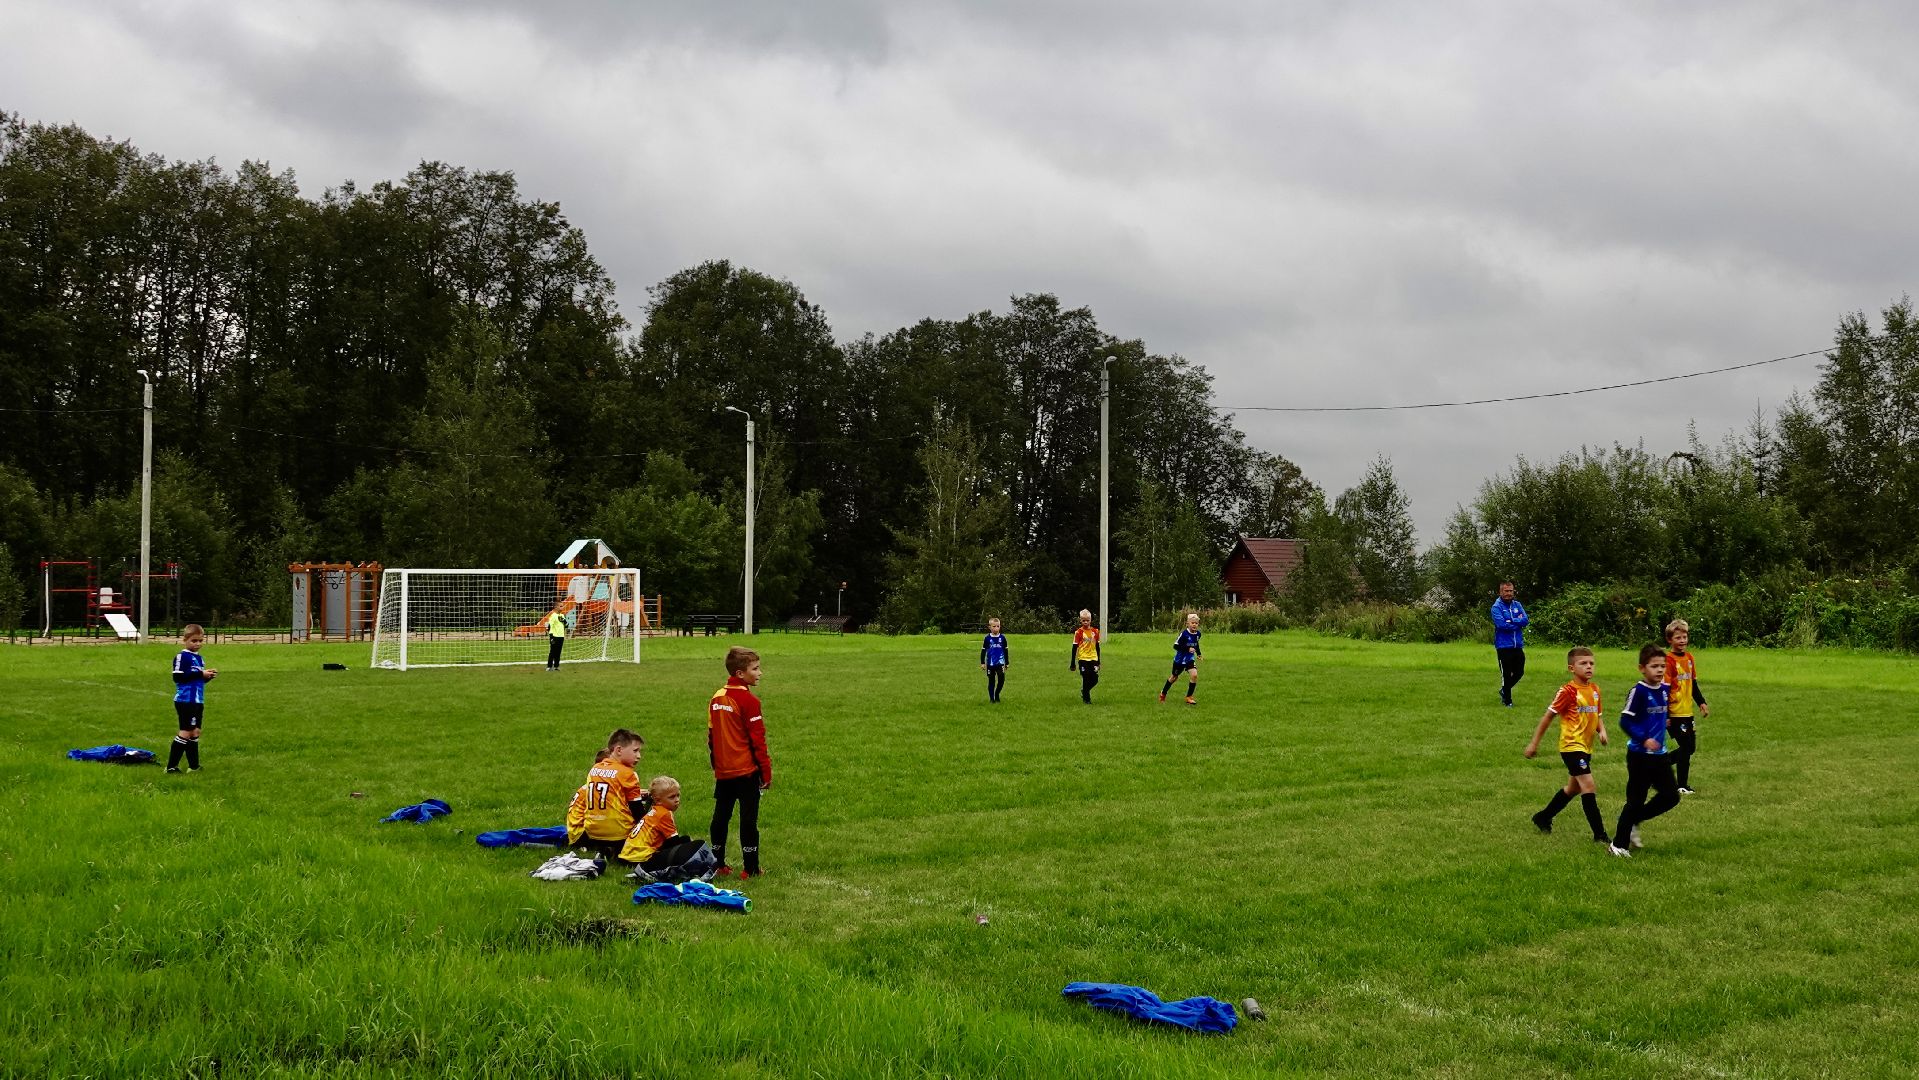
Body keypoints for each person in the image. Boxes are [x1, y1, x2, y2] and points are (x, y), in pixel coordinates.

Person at [1523, 646, 1610, 843]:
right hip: (1571, 746)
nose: (1588, 667)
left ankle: (1543, 817)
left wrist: (1602, 731)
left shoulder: (1595, 690)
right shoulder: (1568, 691)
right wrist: (1533, 744)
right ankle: (1600, 835)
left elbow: (1597, 715)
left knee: (1573, 788)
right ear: (1572, 668)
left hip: (1586, 747)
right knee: (1588, 786)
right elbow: (1547, 718)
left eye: (1591, 663)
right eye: (1583, 663)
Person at [1609, 644, 1681, 858]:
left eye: (1662, 666)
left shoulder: (1664, 690)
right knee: (1635, 800)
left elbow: (1662, 715)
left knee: (1671, 796)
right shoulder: (1638, 691)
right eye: (1654, 666)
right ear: (1642, 668)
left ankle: (1635, 821)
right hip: (1639, 756)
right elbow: (1625, 721)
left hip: (1659, 756)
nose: (1659, 670)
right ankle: (1618, 845)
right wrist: (1643, 738)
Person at [709, 647, 772, 879]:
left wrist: (716, 763)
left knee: (721, 816)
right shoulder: (748, 700)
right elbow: (758, 740)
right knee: (748, 820)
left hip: (724, 771)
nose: (760, 673)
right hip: (746, 770)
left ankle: (718, 864)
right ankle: (751, 868)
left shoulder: (716, 697)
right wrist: (765, 772)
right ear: (740, 674)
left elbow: (711, 736)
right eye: (755, 669)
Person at [565, 729, 648, 860]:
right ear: (619, 750)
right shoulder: (627, 774)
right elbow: (637, 810)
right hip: (617, 834)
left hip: (592, 832)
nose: (639, 756)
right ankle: (620, 849)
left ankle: (604, 849)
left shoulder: (595, 769)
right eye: (635, 751)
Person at [618, 776, 713, 879]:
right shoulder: (665, 814)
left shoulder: (654, 811)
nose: (677, 800)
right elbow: (674, 842)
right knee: (686, 841)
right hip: (640, 858)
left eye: (678, 795)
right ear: (658, 800)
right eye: (672, 797)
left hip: (626, 856)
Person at [1664, 618, 1710, 795]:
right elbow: (1664, 689)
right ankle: (1681, 785)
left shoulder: (1690, 658)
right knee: (1685, 748)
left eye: (1684, 637)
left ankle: (1657, 767)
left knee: (1690, 748)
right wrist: (1666, 715)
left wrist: (1702, 703)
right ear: (1670, 640)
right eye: (1678, 638)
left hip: (1687, 711)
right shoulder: (1668, 660)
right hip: (1674, 713)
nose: (1682, 640)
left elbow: (1693, 685)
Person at [166, 623, 217, 773]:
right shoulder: (182, 656)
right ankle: (171, 767)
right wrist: (200, 674)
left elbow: (197, 680)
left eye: (200, 641)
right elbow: (178, 677)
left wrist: (207, 677)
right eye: (194, 641)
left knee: (195, 732)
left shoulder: (200, 659)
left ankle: (193, 767)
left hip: (197, 700)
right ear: (185, 640)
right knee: (185, 732)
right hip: (185, 700)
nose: (198, 644)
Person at [1491, 581, 1530, 706]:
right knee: (1506, 674)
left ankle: (1504, 690)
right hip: (1503, 646)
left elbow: (1525, 620)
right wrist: (1517, 624)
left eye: (1511, 591)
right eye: (1506, 591)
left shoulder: (1517, 605)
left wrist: (1512, 620)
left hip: (1517, 645)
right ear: (1500, 592)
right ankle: (1508, 701)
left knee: (1519, 672)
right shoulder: (1496, 607)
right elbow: (1501, 624)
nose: (1509, 593)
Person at [1160, 612, 1203, 704]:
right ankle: (1163, 693)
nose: (1194, 625)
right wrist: (1188, 648)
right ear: (1188, 623)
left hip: (1189, 659)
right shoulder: (1184, 634)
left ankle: (1189, 697)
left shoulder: (1198, 634)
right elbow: (1175, 646)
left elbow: (1196, 644)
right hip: (1179, 660)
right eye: (1192, 623)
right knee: (1174, 677)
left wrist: (1199, 653)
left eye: (1196, 623)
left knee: (1194, 675)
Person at [1069, 609, 1101, 704]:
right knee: (1086, 677)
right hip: (1083, 658)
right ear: (1080, 620)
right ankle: (1087, 699)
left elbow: (1097, 647)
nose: (1086, 622)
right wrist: (1072, 663)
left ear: (1091, 620)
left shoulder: (1095, 631)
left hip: (1093, 658)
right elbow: (1074, 648)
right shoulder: (1078, 632)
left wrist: (1098, 661)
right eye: (1083, 620)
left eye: (1087, 620)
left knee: (1094, 679)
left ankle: (1084, 690)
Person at [980, 617, 1009, 703]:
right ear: (990, 627)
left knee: (1001, 679)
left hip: (1000, 663)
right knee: (991, 681)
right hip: (990, 664)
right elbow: (983, 650)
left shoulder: (1003, 638)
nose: (996, 628)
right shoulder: (987, 638)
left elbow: (1006, 650)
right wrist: (982, 662)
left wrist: (1007, 662)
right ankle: (992, 699)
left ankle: (997, 694)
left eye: (998, 626)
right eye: (994, 626)